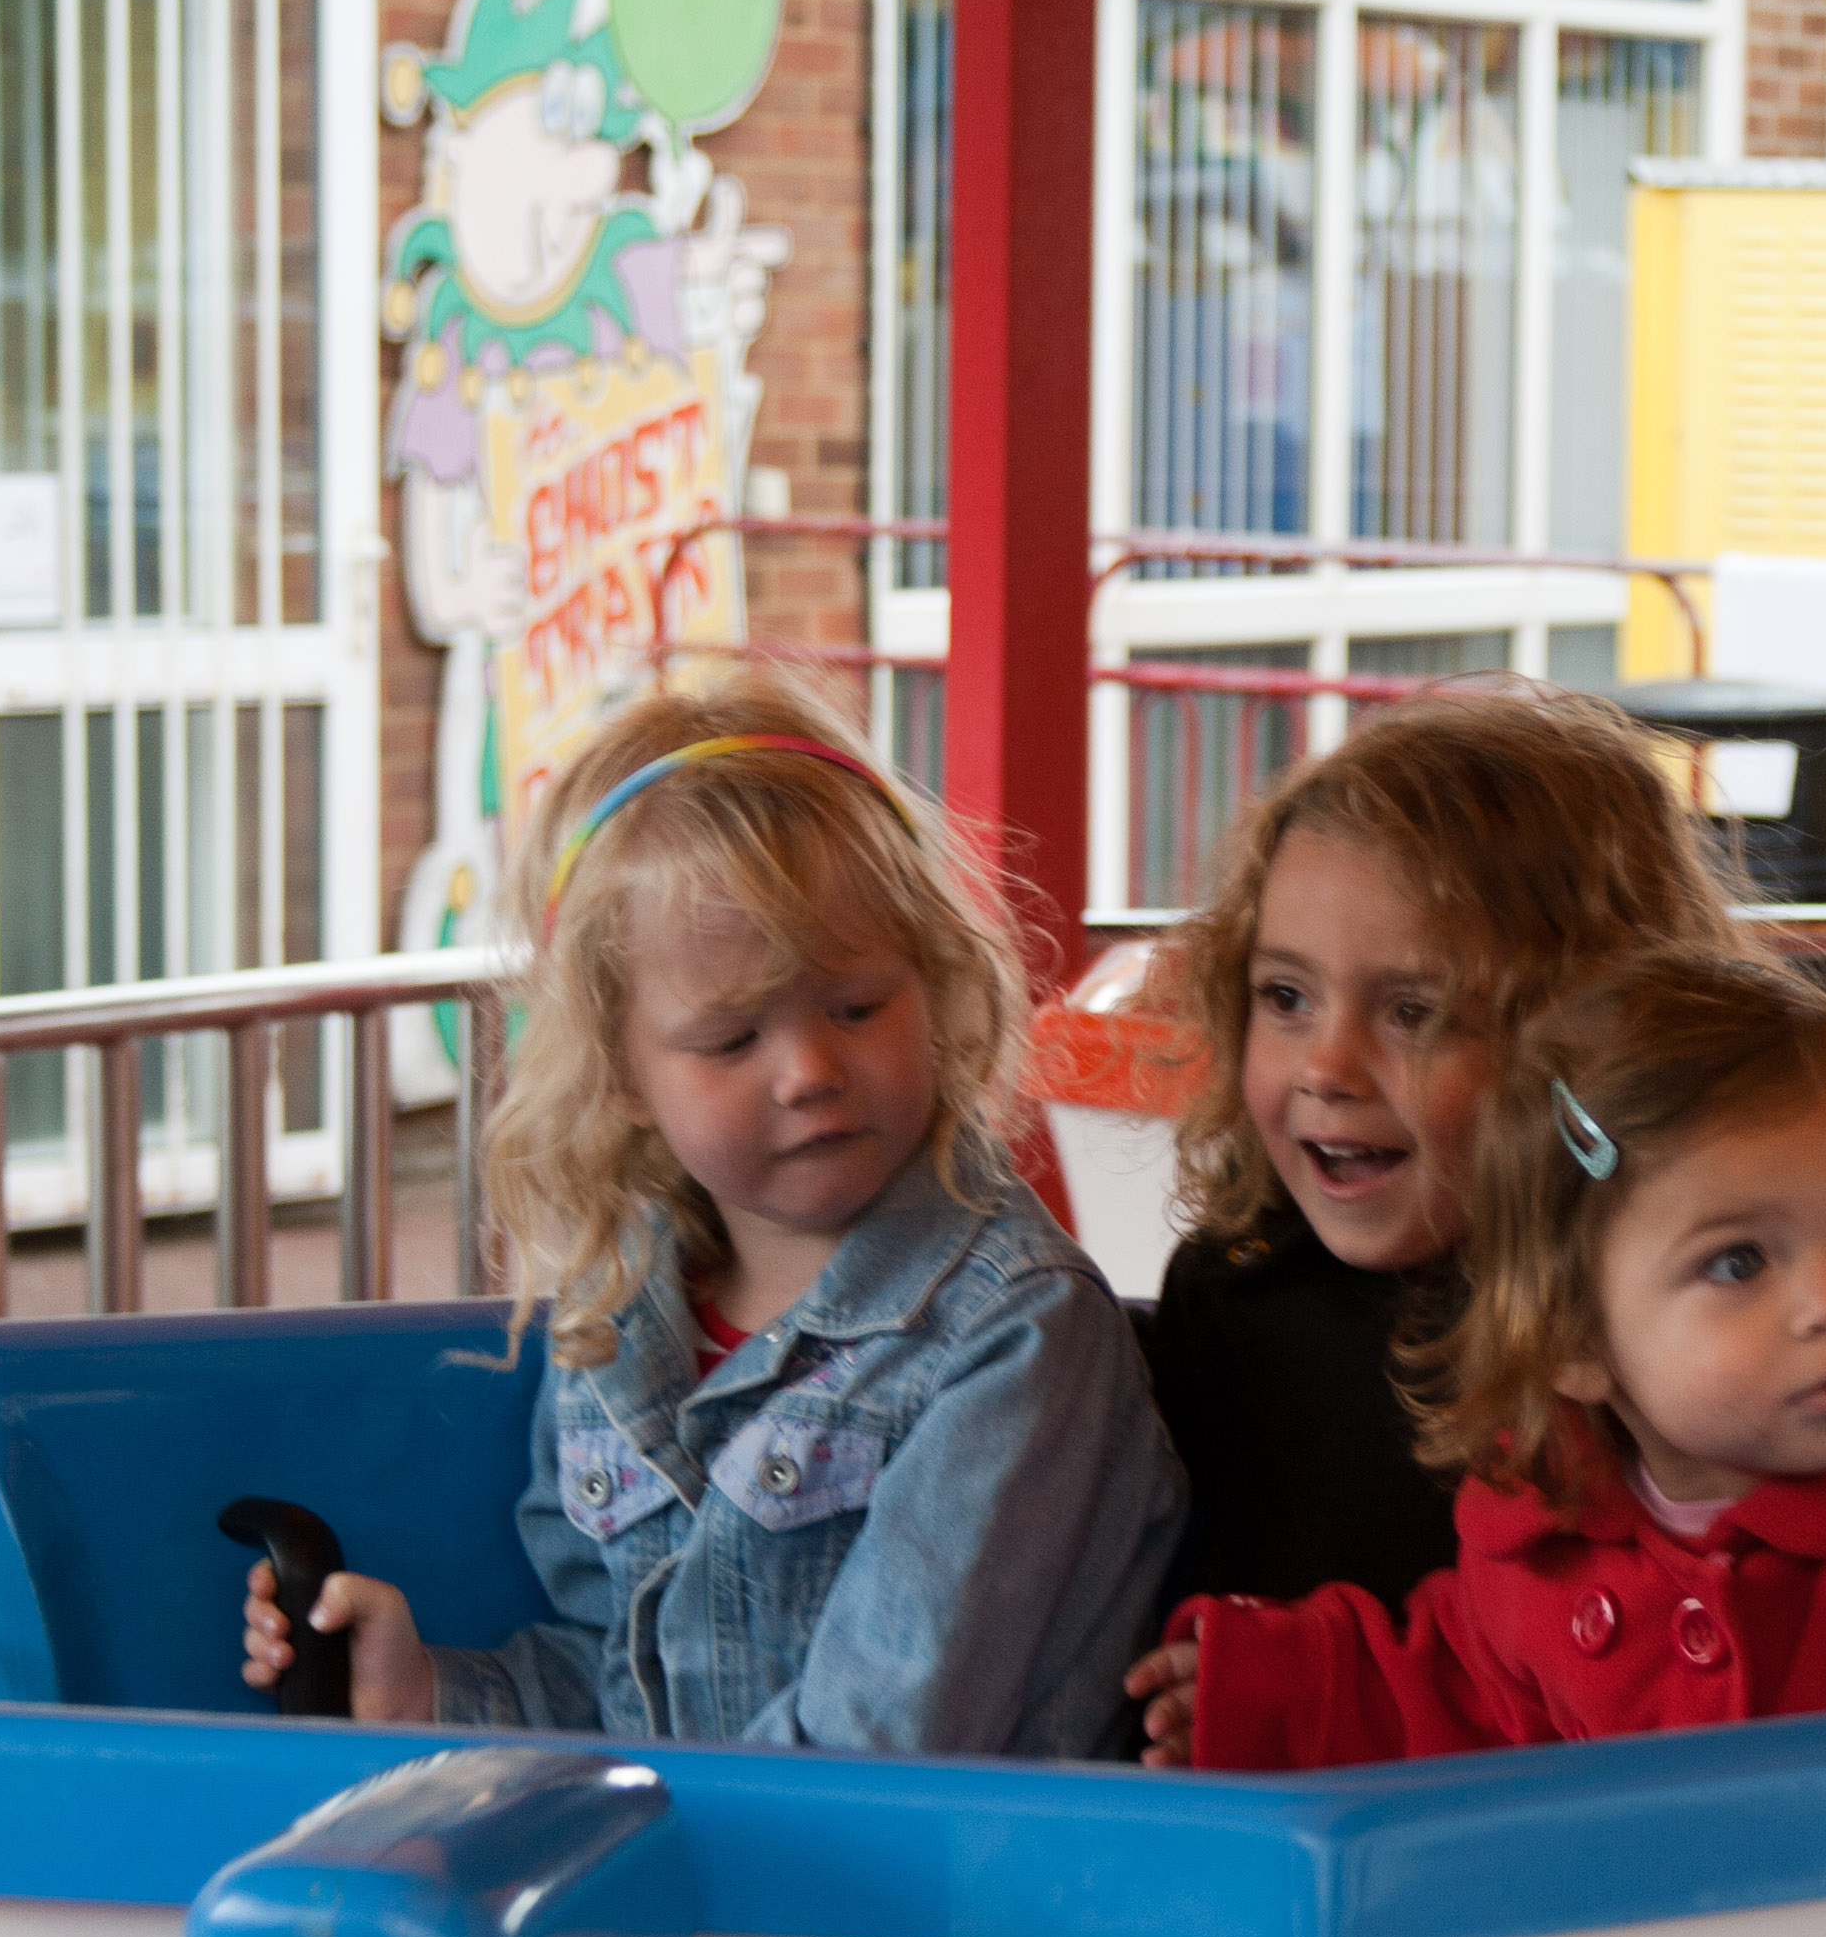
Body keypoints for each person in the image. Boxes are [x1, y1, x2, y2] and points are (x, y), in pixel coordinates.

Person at [1118, 687, 1826, 1740]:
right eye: (1285, 997)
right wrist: (1271, 1689)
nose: (1328, 1067)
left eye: (1416, 1012)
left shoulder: (1739, 1337)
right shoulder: (1238, 1289)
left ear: (1594, 1040)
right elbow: (1468, 1675)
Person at [237, 673, 1187, 1752]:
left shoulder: (1016, 1336)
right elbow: (623, 1683)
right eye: (732, 1040)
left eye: (858, 1006)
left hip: (923, 1863)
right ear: (622, 1074)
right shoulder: (615, 1323)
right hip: (721, 1849)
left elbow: (879, 1748)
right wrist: (431, 1696)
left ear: (934, 985)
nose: (810, 1070)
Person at [1140, 952, 1826, 1767]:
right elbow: (1463, 1695)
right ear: (1576, 1343)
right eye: (1740, 1262)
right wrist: (1284, 1687)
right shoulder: (1548, 1523)